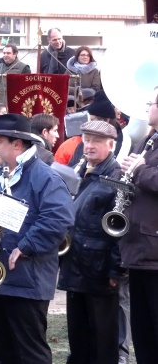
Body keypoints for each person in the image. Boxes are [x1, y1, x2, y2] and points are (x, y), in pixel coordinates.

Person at [0, 114, 74, 364]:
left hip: (28, 282)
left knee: (30, 353)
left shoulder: (45, 177)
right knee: (4, 352)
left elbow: (59, 217)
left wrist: (26, 246)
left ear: (18, 144)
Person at [57, 120, 123, 364]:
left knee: (102, 338)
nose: (89, 146)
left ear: (111, 145)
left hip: (99, 269)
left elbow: (120, 227)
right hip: (76, 263)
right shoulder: (80, 169)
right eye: (86, 140)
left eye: (96, 141)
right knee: (78, 334)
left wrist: (116, 269)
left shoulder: (115, 177)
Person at [118, 87, 158, 364]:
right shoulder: (150, 140)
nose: (147, 108)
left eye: (152, 103)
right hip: (140, 248)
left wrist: (141, 169)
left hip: (155, 249)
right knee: (143, 332)